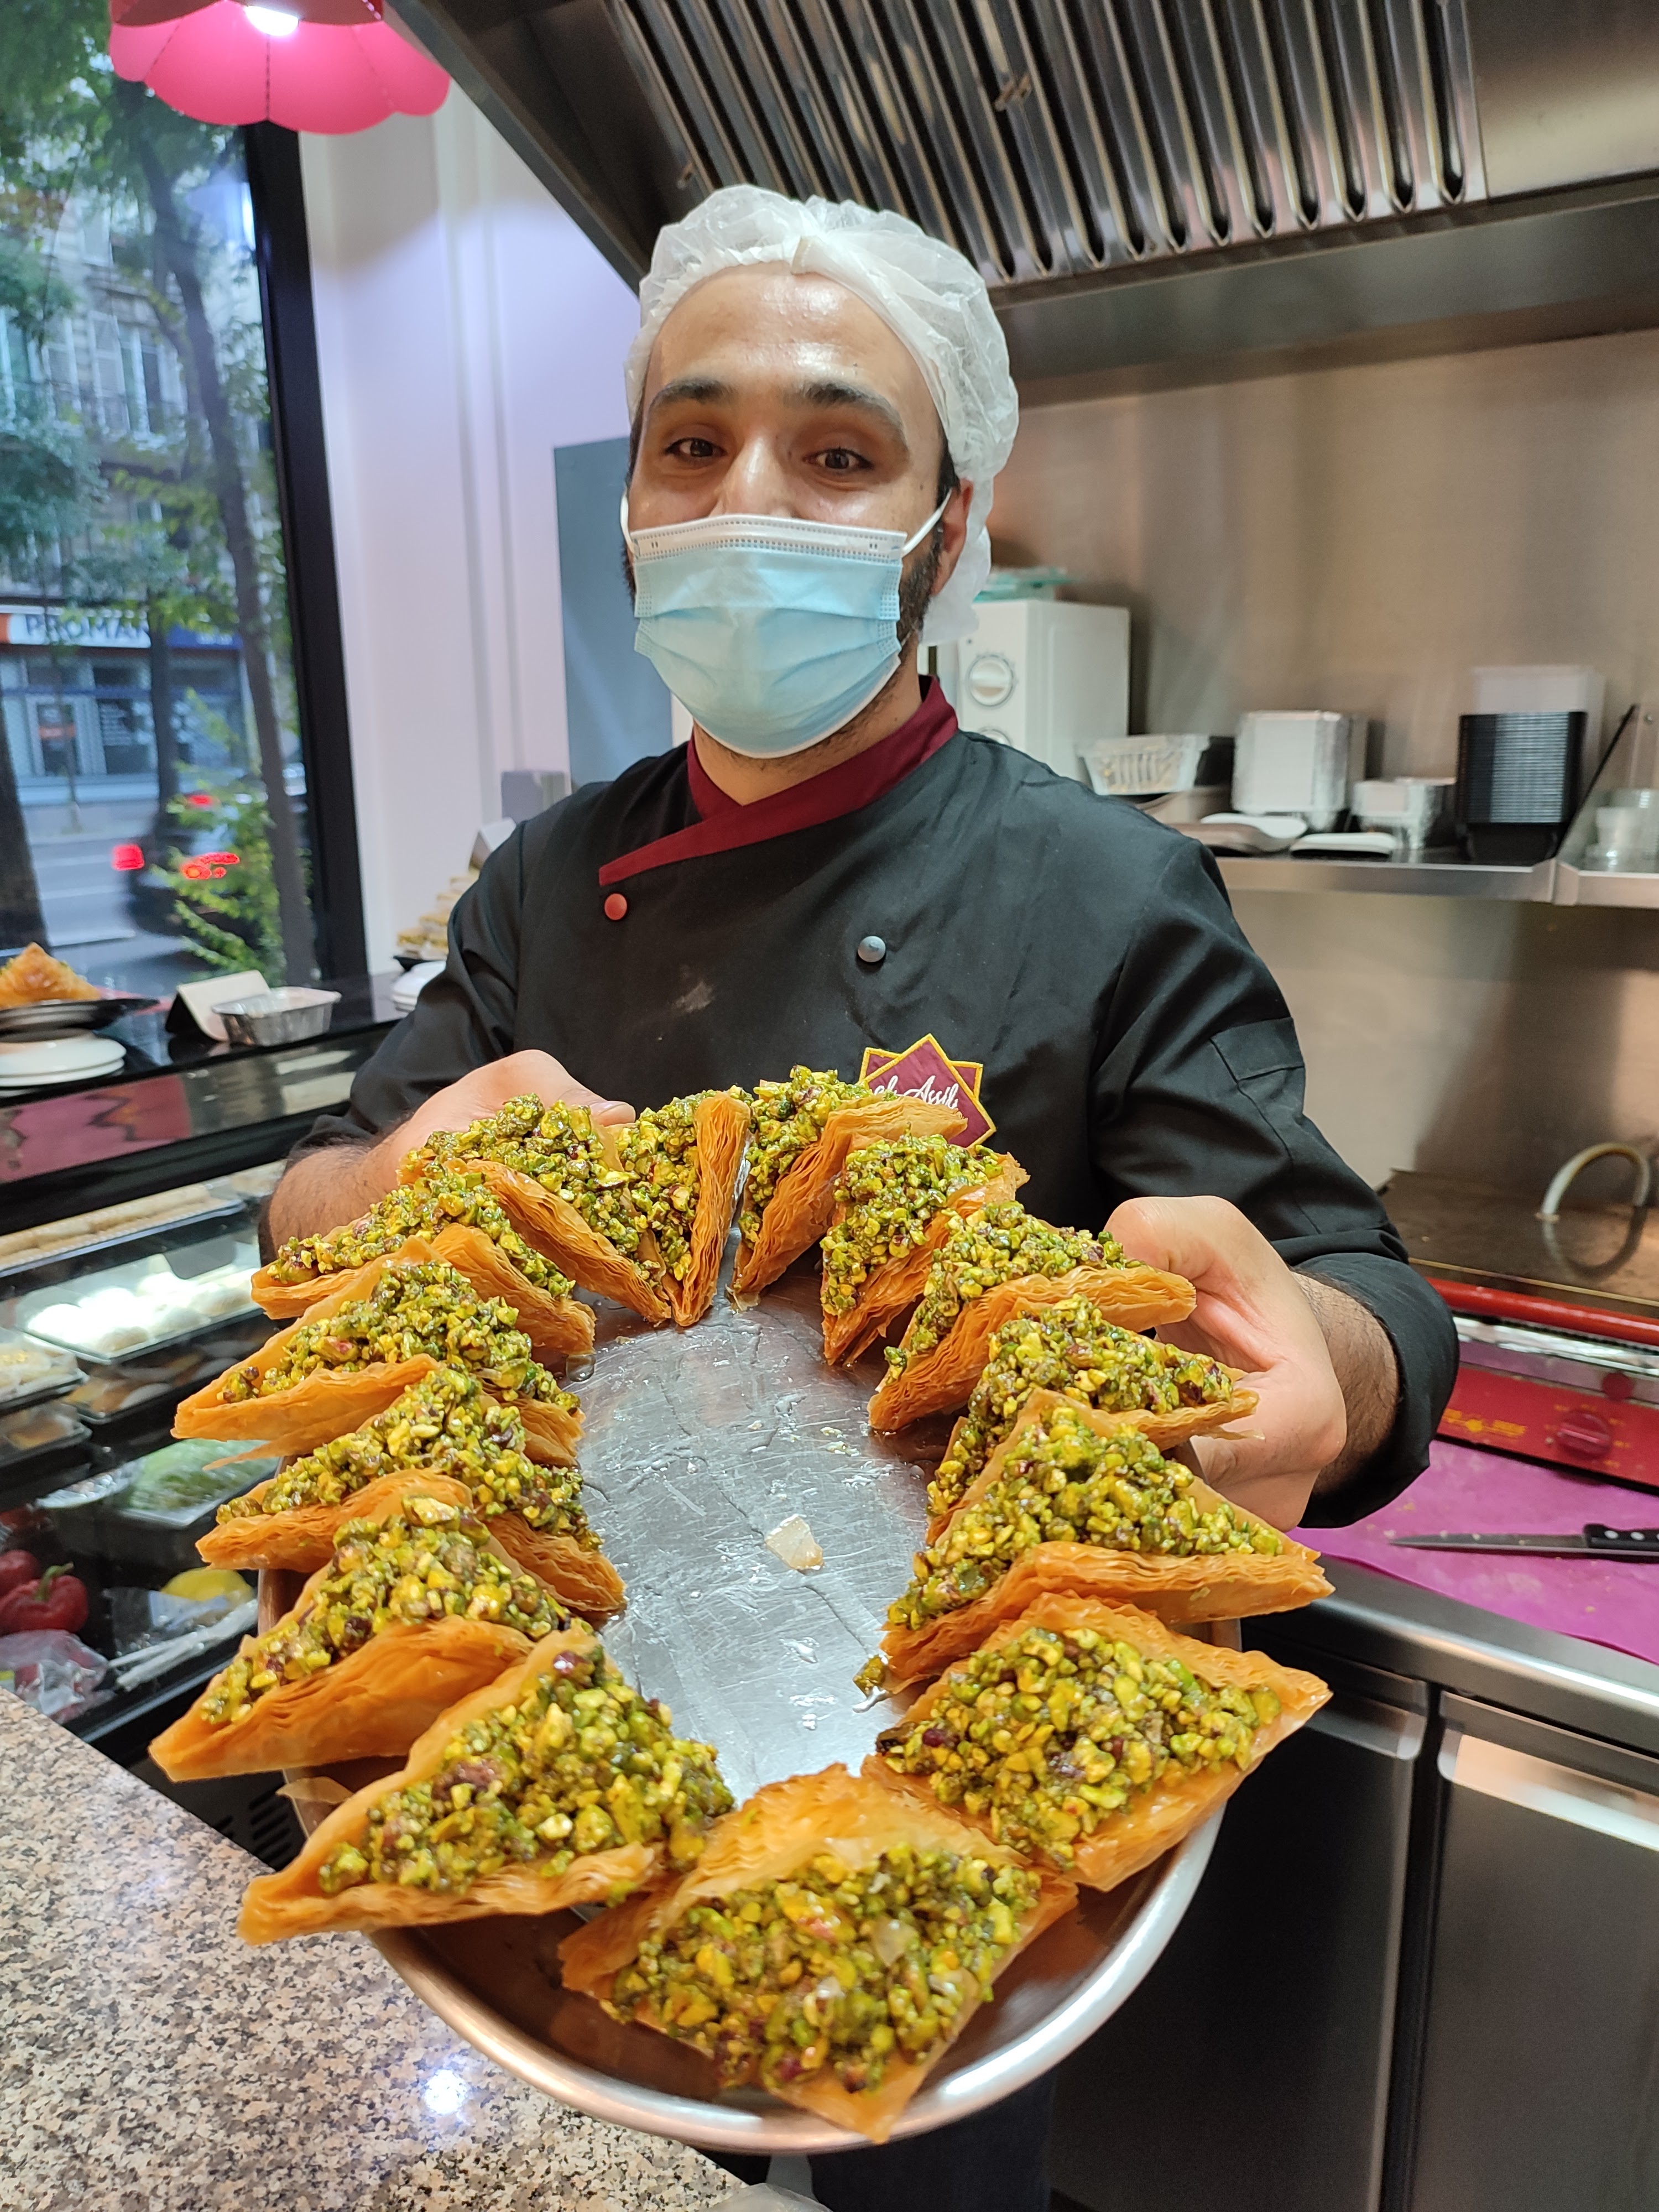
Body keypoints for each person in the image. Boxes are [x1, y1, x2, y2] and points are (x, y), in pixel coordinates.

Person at [270, 185, 1456, 2209]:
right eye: (693, 440)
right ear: (633, 505)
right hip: (549, 1722)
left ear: (947, 522)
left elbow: (1361, 1284)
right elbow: (313, 1216)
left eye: (838, 454)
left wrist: (1322, 1374)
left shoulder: (1102, 888)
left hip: (939, 1772)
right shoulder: (544, 881)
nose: (749, 498)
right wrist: (380, 1180)